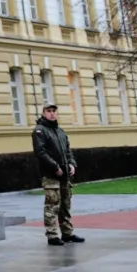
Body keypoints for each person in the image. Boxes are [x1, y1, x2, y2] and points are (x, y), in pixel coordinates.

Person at [32, 103, 84, 246]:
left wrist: (72, 164)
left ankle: (67, 233)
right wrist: (55, 167)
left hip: (65, 175)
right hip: (50, 175)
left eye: (54, 111)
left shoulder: (60, 131)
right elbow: (40, 152)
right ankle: (52, 235)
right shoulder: (39, 131)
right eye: (49, 111)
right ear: (43, 113)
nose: (52, 114)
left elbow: (68, 151)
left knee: (65, 205)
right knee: (52, 205)